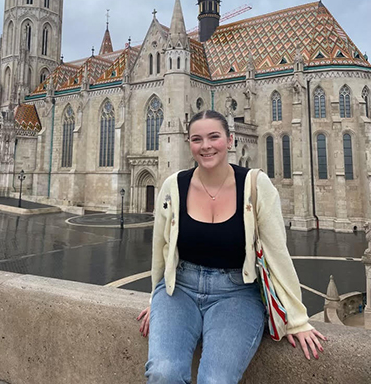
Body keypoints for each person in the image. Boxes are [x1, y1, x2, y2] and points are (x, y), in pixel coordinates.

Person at [138, 110, 326, 383]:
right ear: (188, 143)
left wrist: (297, 319)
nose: (206, 146)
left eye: (214, 137)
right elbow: (161, 249)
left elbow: (277, 254)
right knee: (162, 373)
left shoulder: (255, 185)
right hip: (180, 289)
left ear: (230, 140)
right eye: (196, 139)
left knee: (216, 380)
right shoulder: (172, 185)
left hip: (237, 293)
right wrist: (155, 298)